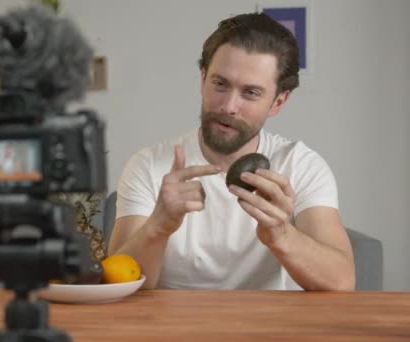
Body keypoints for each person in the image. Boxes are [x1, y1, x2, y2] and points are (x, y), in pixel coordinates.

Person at [108, 13, 355, 291]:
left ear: (278, 102)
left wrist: (281, 234)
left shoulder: (300, 165)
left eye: (250, 93)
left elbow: (341, 282)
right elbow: (118, 285)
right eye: (220, 84)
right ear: (203, 80)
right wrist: (159, 225)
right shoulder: (149, 165)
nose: (228, 106)